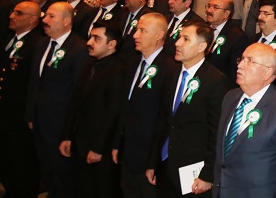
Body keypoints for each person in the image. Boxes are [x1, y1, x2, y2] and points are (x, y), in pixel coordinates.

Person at [147, 24, 229, 197]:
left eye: (186, 39)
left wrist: (207, 174)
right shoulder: (171, 73)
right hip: (164, 165)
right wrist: (152, 162)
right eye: (179, 38)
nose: (177, 43)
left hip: (193, 172)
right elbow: (162, 121)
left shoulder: (216, 81)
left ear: (202, 47)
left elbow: (216, 133)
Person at [213, 43, 276, 198]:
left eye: (249, 61)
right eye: (241, 59)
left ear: (267, 72)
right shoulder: (230, 97)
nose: (240, 65)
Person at [27, 2, 89, 198]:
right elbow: (34, 83)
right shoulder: (42, 44)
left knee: (63, 176)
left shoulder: (79, 49)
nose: (44, 20)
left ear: (66, 21)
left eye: (51, 17)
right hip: (40, 121)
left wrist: (69, 132)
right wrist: (30, 114)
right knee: (47, 171)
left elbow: (78, 94)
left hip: (61, 125)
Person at [59, 20, 125, 197]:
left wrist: (98, 148)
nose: (89, 42)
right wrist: (67, 136)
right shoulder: (89, 64)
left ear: (111, 44)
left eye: (96, 38)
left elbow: (113, 113)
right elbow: (75, 102)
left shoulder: (118, 70)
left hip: (98, 148)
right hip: (79, 142)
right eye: (90, 37)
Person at [115, 12, 173, 198]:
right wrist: (117, 143)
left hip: (149, 157)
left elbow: (164, 120)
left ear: (158, 35)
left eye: (142, 31)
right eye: (136, 29)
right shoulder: (132, 63)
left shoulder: (170, 69)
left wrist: (153, 162)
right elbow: (124, 108)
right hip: (128, 151)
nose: (135, 35)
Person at [0, 1, 45, 198]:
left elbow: (34, 83)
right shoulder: (11, 39)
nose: (12, 16)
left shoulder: (37, 43)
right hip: (2, 113)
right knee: (5, 160)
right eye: (13, 12)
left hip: (19, 116)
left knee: (21, 163)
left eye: (18, 13)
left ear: (32, 19)